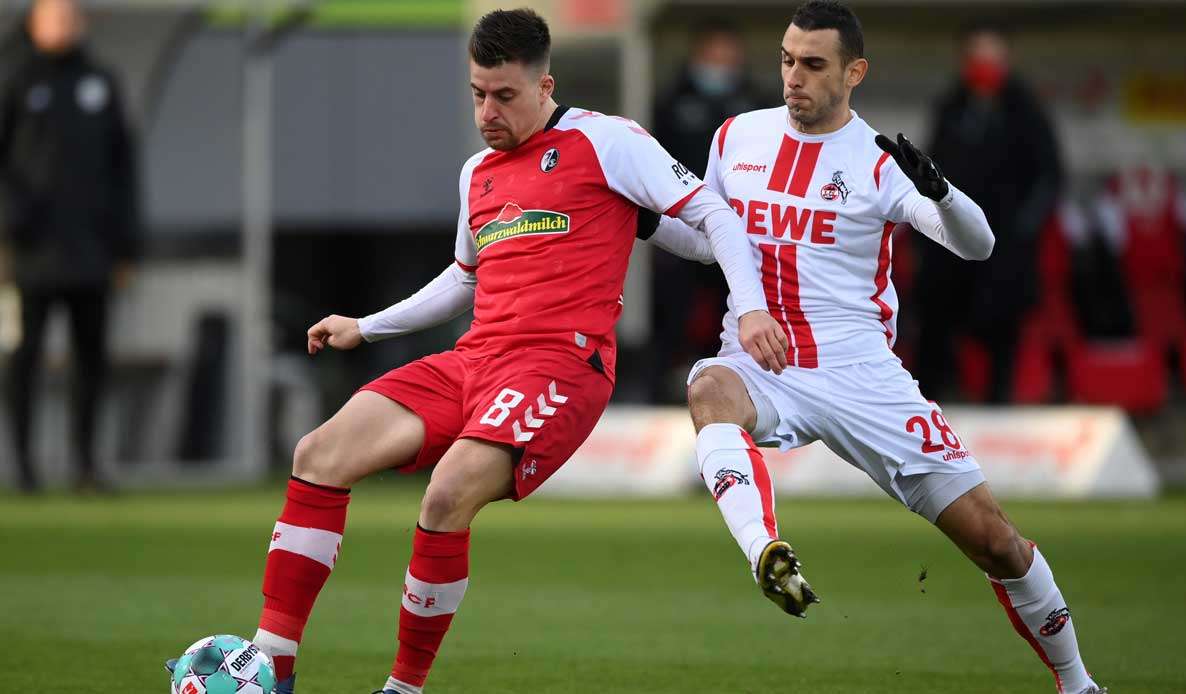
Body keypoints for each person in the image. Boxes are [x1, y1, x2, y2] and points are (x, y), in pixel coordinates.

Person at [167, 9, 787, 694]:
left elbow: (711, 218)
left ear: (544, 85)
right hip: (476, 360)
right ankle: (271, 668)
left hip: (560, 364)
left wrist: (753, 304)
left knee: (447, 493)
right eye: (476, 94)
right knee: (319, 454)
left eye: (504, 96)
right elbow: (464, 278)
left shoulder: (608, 141)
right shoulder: (478, 174)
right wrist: (366, 325)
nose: (487, 111)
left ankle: (403, 689)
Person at [661, 3, 1104, 692]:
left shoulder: (877, 161)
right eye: (786, 59)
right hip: (763, 363)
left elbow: (976, 243)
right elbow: (702, 238)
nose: (793, 78)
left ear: (854, 72)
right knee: (707, 391)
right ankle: (765, 551)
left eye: (813, 64)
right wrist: (638, 221)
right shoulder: (735, 138)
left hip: (864, 376)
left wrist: (943, 192)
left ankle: (1079, 685)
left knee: (996, 541)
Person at [0, 0, 138, 493]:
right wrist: (13, 224)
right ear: (34, 21)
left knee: (91, 358)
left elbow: (124, 169)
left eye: (68, 15)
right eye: (52, 15)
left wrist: (125, 246)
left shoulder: (100, 82)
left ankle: (85, 464)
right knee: (27, 357)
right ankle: (24, 467)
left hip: (92, 252)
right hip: (32, 253)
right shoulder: (15, 79)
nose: (62, 23)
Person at [915, 22, 1063, 402]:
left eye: (992, 56)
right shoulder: (951, 107)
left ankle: (998, 412)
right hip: (949, 245)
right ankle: (928, 416)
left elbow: (1048, 177)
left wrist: (1021, 230)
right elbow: (932, 167)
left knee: (1002, 337)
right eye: (977, 56)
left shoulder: (1026, 111)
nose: (984, 64)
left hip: (1005, 248)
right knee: (935, 332)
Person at [651, 23, 772, 401]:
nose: (721, 66)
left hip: (744, 230)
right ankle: (670, 379)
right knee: (676, 305)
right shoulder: (671, 104)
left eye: (728, 58)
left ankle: (742, 376)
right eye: (714, 57)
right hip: (684, 223)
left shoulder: (758, 105)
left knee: (738, 301)